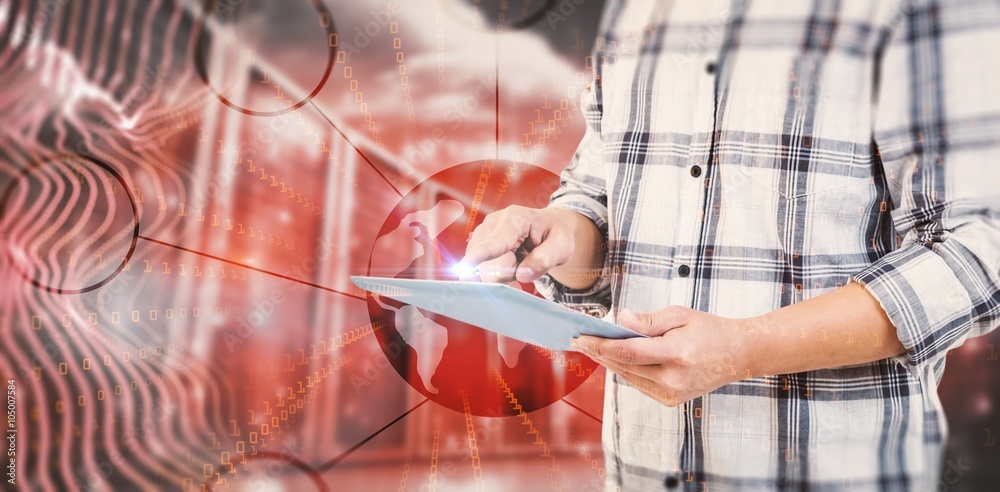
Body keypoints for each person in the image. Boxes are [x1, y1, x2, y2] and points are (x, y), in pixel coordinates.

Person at [459, 0, 1000, 490]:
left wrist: (745, 348)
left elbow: (978, 249)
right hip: (642, 473)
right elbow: (597, 201)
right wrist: (562, 234)